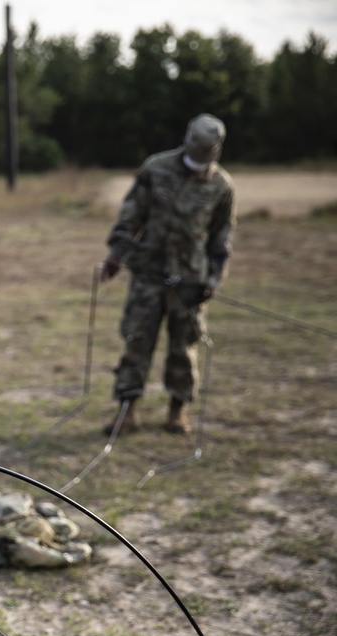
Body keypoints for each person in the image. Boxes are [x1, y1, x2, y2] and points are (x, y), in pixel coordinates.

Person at [99, 113, 237, 434]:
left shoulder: (221, 186)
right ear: (186, 138)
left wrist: (214, 279)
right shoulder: (156, 168)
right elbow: (131, 215)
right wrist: (116, 255)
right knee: (136, 340)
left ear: (215, 150)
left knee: (183, 347)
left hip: (190, 279)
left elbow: (221, 239)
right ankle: (127, 410)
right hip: (148, 273)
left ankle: (178, 410)